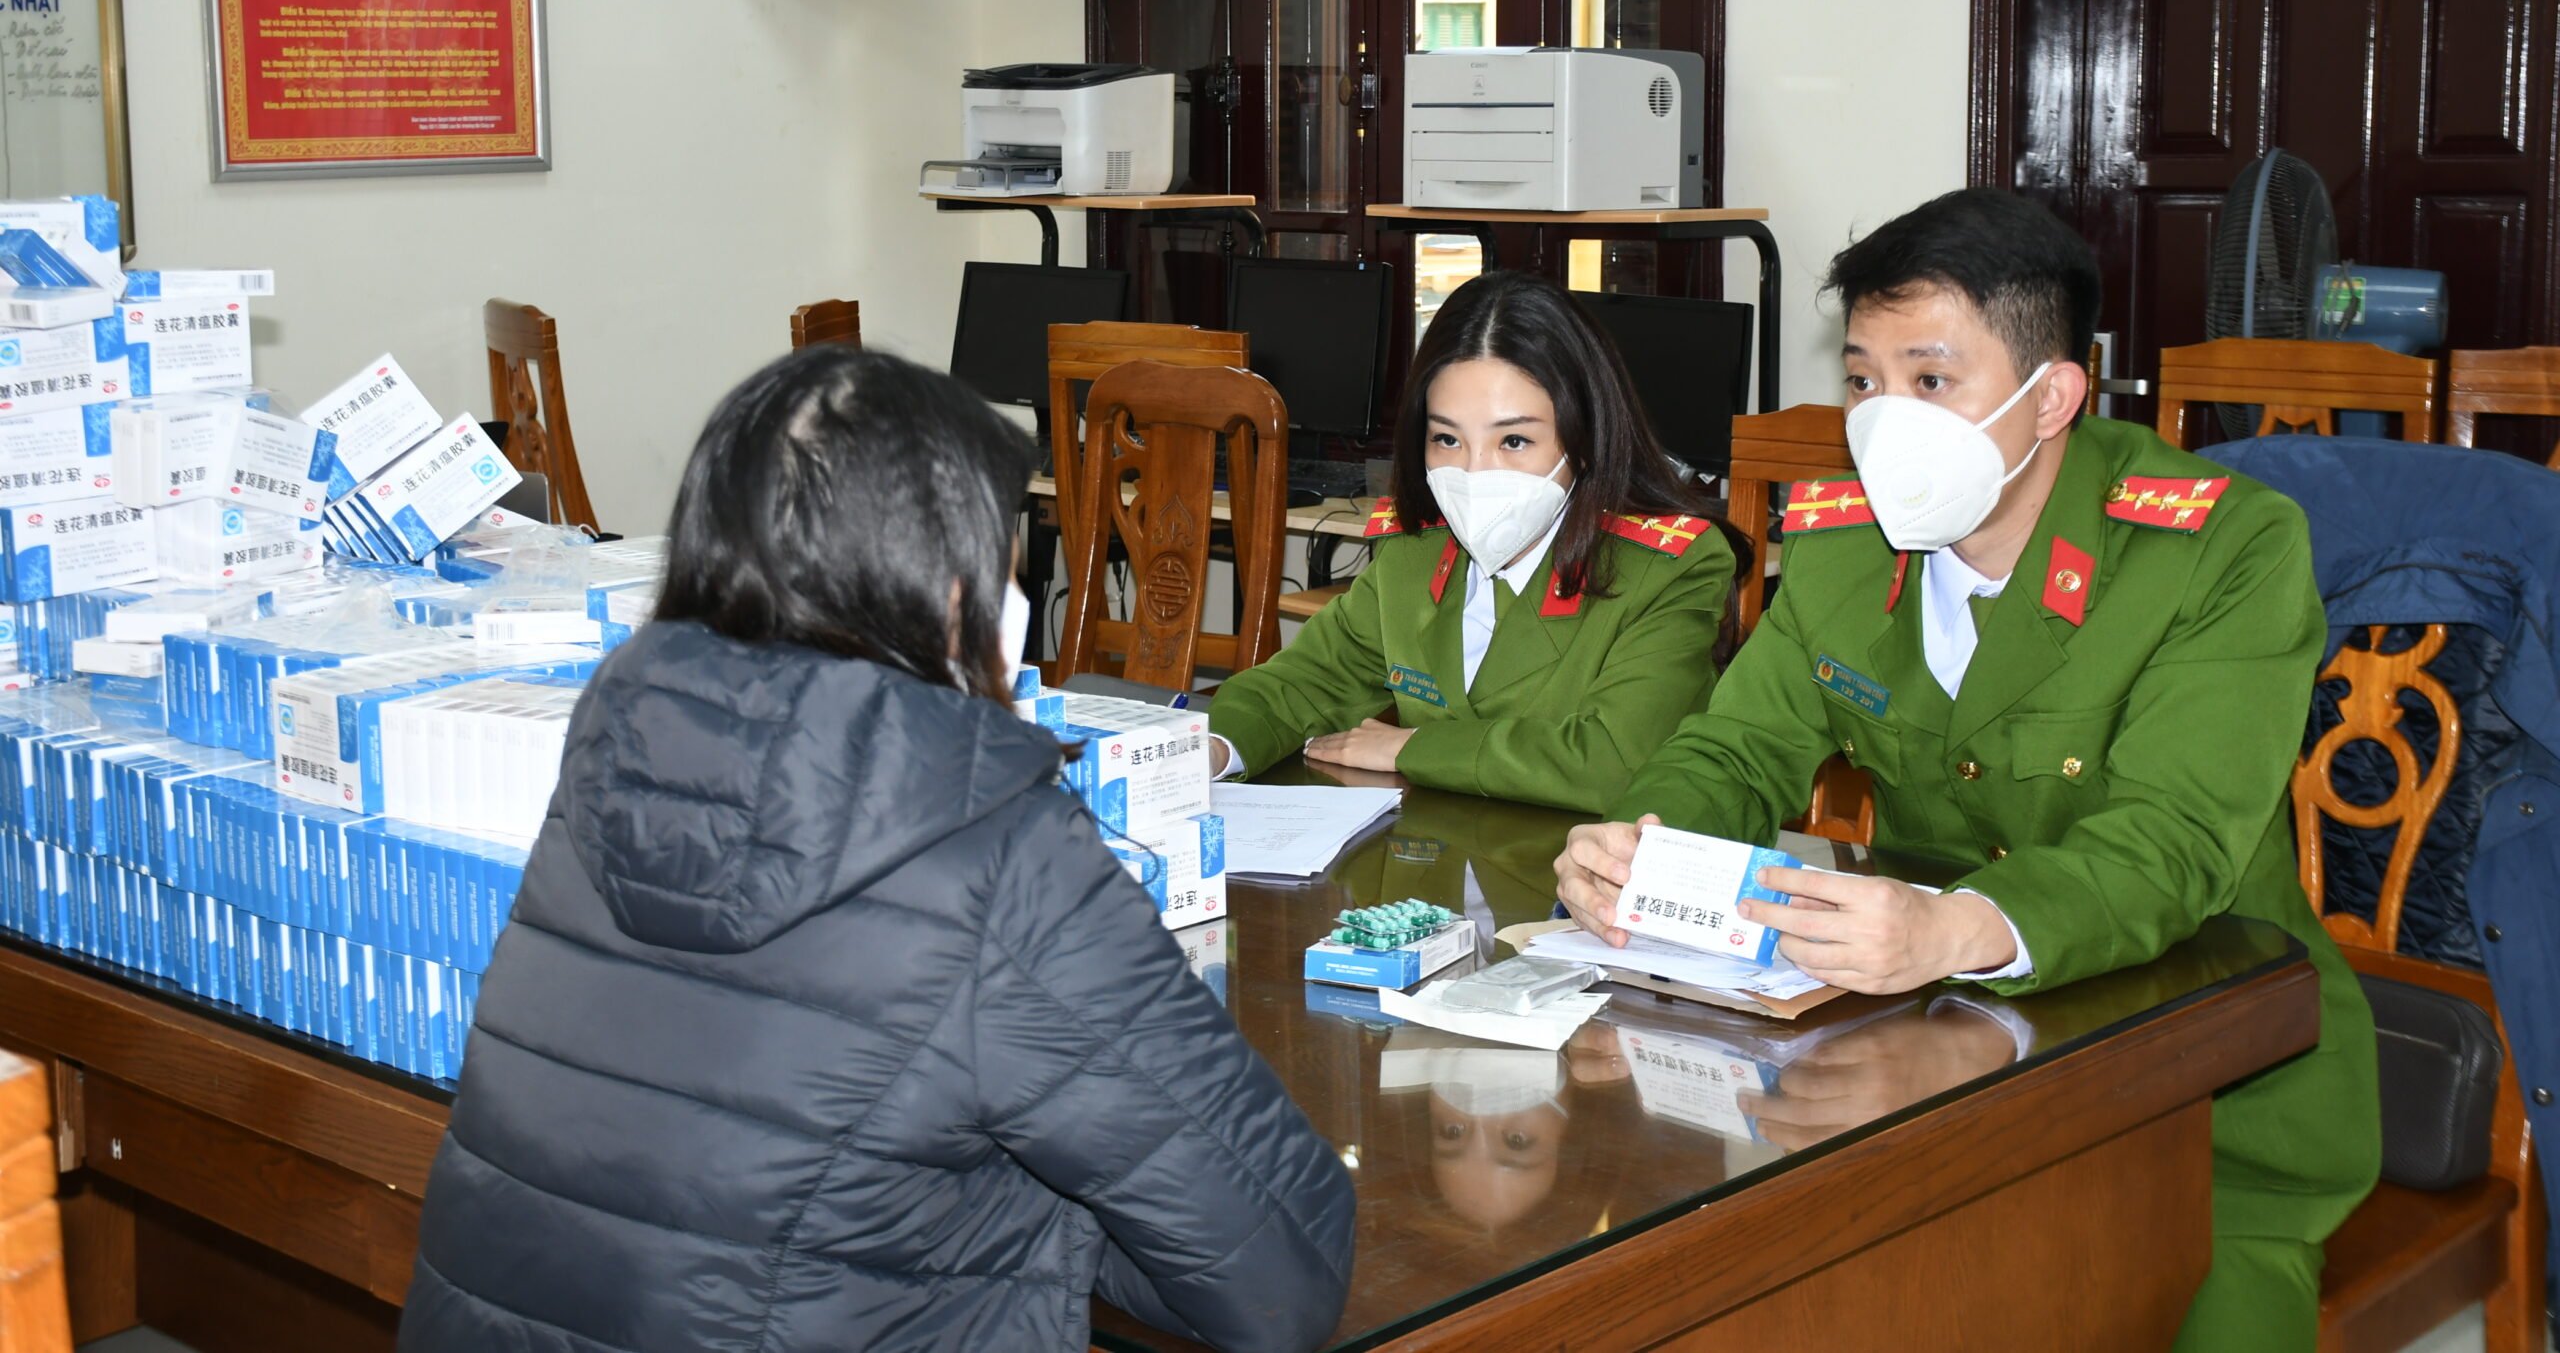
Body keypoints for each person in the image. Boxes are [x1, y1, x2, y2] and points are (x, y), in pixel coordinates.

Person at [400, 347, 1355, 1353]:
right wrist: (1041, 1205)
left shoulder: (619, 754)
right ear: (941, 586)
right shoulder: (989, 845)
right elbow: (1280, 1274)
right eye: (1005, 558)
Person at [1553, 190, 2379, 1350]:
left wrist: (1954, 928)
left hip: (2199, 1092)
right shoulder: (1843, 542)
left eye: (1930, 379)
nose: (1885, 420)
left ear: (2052, 398)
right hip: (1910, 1062)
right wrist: (1642, 846)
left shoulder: (2219, 549)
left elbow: (2172, 841)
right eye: (1862, 380)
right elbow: (1737, 747)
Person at [1207, 271, 1735, 810]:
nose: (1474, 472)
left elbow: (1613, 761)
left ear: (1586, 437)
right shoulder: (1416, 548)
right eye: (1446, 438)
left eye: (1514, 440)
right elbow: (1312, 679)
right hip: (1438, 845)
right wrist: (1214, 748)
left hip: (1588, 853)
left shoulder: (1667, 568)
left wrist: (1413, 747)